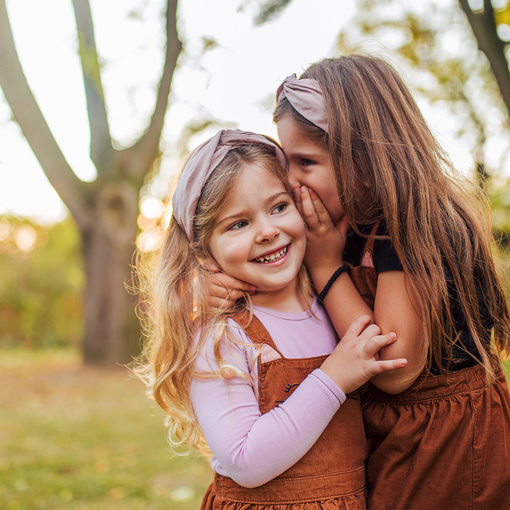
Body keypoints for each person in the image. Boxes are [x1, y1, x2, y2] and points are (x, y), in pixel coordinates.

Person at [208, 55, 510, 509]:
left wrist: (327, 266)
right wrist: (200, 283)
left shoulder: (411, 225)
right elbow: (256, 265)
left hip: (443, 444)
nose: (291, 182)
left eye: (305, 162)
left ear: (366, 161)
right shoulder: (347, 226)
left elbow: (396, 363)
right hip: (391, 436)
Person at [134, 128, 407, 510]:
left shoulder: (334, 303)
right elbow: (244, 461)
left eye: (279, 207)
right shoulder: (220, 335)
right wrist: (333, 379)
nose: (267, 231)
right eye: (238, 224)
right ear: (203, 248)